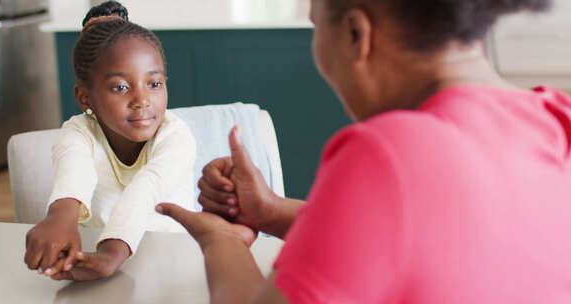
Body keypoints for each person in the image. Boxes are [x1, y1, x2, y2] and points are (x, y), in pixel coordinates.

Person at [158, 0, 571, 302]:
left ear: (357, 33)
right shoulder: (557, 118)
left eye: (316, 27)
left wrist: (220, 240)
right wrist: (269, 212)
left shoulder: (390, 151)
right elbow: (441, 237)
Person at [24, 1, 196, 281]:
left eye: (154, 84)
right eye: (120, 87)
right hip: (103, 266)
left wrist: (111, 253)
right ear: (85, 98)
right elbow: (74, 172)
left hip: (175, 267)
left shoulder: (177, 137)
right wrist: (59, 217)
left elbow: (146, 188)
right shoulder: (77, 133)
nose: (142, 101)